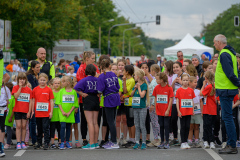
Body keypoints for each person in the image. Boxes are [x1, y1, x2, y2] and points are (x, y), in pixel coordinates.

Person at [214, 34, 240, 154]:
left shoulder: (224, 54)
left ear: (219, 42)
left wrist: (238, 84)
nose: (214, 45)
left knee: (227, 118)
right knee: (228, 117)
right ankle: (231, 143)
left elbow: (230, 74)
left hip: (226, 90)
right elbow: (235, 71)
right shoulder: (231, 53)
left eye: (215, 42)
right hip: (228, 89)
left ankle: (231, 144)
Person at [76, 51, 100, 146]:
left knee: (93, 121)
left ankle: (93, 140)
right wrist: (82, 93)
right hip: (84, 99)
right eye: (93, 58)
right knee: (85, 121)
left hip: (93, 97)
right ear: (87, 59)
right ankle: (85, 138)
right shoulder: (81, 69)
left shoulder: (95, 67)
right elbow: (80, 83)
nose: (94, 60)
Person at [97, 58, 121, 149]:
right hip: (116, 97)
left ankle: (114, 142)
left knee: (110, 121)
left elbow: (100, 90)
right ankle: (112, 141)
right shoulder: (114, 75)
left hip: (108, 98)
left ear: (101, 67)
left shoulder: (102, 76)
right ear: (109, 66)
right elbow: (118, 87)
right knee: (112, 120)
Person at [56, 76, 78, 150]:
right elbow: (58, 102)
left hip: (70, 113)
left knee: (69, 127)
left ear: (68, 82)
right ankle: (62, 142)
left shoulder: (73, 92)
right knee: (62, 126)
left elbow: (74, 103)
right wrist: (62, 111)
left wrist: (69, 112)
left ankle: (67, 142)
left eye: (63, 81)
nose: (62, 83)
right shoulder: (61, 91)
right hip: (62, 112)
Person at [32, 73, 54, 150]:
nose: (42, 81)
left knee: (46, 128)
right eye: (41, 80)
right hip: (38, 113)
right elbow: (33, 100)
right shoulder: (35, 89)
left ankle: (46, 143)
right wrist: (32, 110)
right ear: (38, 80)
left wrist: (51, 111)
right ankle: (39, 142)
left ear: (46, 80)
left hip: (46, 113)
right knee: (39, 128)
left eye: (44, 80)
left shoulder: (49, 89)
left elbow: (51, 101)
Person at [152, 72, 173, 149]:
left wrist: (168, 110)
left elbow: (171, 100)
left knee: (166, 126)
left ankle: (167, 142)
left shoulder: (169, 88)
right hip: (159, 110)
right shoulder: (157, 87)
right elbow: (155, 98)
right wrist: (155, 108)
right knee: (161, 126)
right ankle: (162, 142)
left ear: (162, 80)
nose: (156, 80)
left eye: (157, 79)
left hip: (166, 111)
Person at [12, 72, 32, 150]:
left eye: (23, 79)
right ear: (18, 80)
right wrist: (20, 87)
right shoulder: (15, 87)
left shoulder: (29, 89)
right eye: (20, 79)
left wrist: (29, 112)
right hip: (17, 110)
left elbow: (30, 101)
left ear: (25, 80)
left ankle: (23, 142)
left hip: (25, 110)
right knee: (18, 126)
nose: (22, 81)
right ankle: (18, 142)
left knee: (24, 126)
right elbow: (16, 96)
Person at [175, 74, 195, 149]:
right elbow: (177, 101)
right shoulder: (179, 90)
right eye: (184, 80)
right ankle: (182, 142)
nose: (185, 82)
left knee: (187, 126)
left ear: (189, 81)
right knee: (183, 126)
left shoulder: (191, 90)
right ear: (181, 81)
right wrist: (178, 111)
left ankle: (186, 141)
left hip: (189, 111)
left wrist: (193, 110)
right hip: (182, 111)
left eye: (187, 80)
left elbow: (192, 100)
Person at [131, 69, 149, 150]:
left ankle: (144, 142)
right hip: (135, 107)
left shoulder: (144, 85)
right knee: (137, 125)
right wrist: (135, 88)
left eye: (134, 75)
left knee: (142, 125)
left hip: (142, 107)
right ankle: (137, 142)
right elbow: (131, 95)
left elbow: (142, 95)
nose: (134, 76)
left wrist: (138, 87)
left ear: (138, 76)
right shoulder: (135, 84)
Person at [170, 61, 186, 145]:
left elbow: (188, 87)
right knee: (173, 119)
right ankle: (175, 138)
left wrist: (180, 82)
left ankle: (184, 139)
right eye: (174, 67)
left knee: (183, 121)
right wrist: (173, 82)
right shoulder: (173, 76)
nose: (175, 69)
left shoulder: (186, 75)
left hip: (183, 101)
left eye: (177, 67)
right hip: (174, 101)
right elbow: (171, 89)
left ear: (181, 67)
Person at [200, 71, 217, 149]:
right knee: (210, 126)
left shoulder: (208, 86)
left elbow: (201, 93)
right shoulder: (214, 85)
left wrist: (203, 85)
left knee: (207, 126)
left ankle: (209, 141)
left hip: (207, 109)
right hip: (213, 109)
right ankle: (209, 141)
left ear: (206, 78)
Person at [145, 64, 161, 147]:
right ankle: (155, 138)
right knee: (154, 122)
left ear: (153, 71)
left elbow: (156, 94)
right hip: (151, 101)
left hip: (154, 102)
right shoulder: (154, 80)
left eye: (151, 71)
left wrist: (153, 104)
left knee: (156, 122)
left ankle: (159, 138)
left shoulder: (156, 81)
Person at [122, 65, 136, 148]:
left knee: (131, 121)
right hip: (127, 103)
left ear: (127, 72)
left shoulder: (131, 80)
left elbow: (125, 90)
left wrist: (124, 81)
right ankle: (130, 139)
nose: (123, 72)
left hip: (131, 104)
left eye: (124, 70)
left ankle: (133, 139)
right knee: (128, 121)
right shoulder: (127, 80)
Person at [188, 76, 202, 148]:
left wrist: (202, 111)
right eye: (195, 82)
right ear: (190, 83)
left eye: (196, 82)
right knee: (190, 127)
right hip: (189, 111)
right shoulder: (187, 91)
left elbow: (201, 101)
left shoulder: (198, 92)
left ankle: (196, 140)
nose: (196, 83)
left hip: (197, 111)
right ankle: (189, 140)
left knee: (196, 127)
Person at [0, 79, 11, 157]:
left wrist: (7, 109)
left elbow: (8, 100)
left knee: (2, 127)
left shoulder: (5, 89)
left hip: (2, 109)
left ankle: (1, 145)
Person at [50, 78, 61, 149]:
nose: (57, 85)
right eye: (55, 83)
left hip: (60, 114)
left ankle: (60, 142)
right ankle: (52, 143)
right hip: (53, 114)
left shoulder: (62, 92)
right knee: (52, 129)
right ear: (53, 84)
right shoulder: (51, 92)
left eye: (58, 83)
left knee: (60, 129)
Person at [4, 82, 14, 150]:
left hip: (9, 116)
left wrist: (11, 117)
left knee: (8, 129)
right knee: (4, 129)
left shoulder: (12, 98)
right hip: (4, 115)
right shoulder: (5, 97)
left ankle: (8, 143)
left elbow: (14, 109)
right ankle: (7, 141)